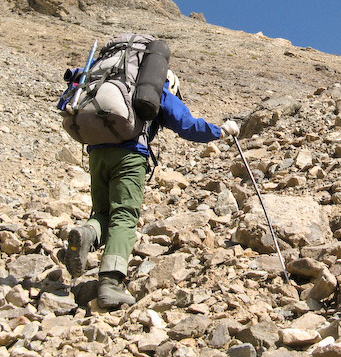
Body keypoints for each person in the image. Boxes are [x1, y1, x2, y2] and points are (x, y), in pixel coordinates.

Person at [64, 70, 240, 310]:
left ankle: (87, 234)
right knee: (124, 216)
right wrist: (219, 131)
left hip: (96, 153)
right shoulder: (155, 87)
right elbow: (185, 124)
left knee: (102, 213)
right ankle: (110, 284)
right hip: (129, 156)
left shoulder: (111, 82)